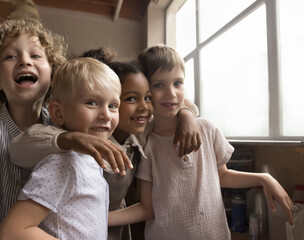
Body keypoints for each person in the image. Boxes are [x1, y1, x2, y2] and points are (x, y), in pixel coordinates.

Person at [0, 19, 129, 239]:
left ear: (52, 74)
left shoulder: (70, 124)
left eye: (36, 55)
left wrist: (186, 113)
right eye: (10, 56)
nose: (24, 62)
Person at [8, 48, 201, 240]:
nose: (106, 114)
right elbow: (20, 148)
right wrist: (71, 139)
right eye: (131, 98)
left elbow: (173, 103)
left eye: (112, 105)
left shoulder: (139, 131)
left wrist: (187, 115)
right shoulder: (65, 159)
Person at [108, 44, 294, 240]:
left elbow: (222, 176)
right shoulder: (148, 142)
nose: (171, 93)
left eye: (178, 83)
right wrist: (100, 218)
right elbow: (147, 208)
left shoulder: (206, 129)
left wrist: (263, 178)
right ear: (146, 88)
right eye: (159, 85)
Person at [0, 57, 121, 239]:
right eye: (92, 103)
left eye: (113, 106)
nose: (106, 115)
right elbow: (11, 232)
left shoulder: (87, 161)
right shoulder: (61, 165)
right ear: (58, 113)